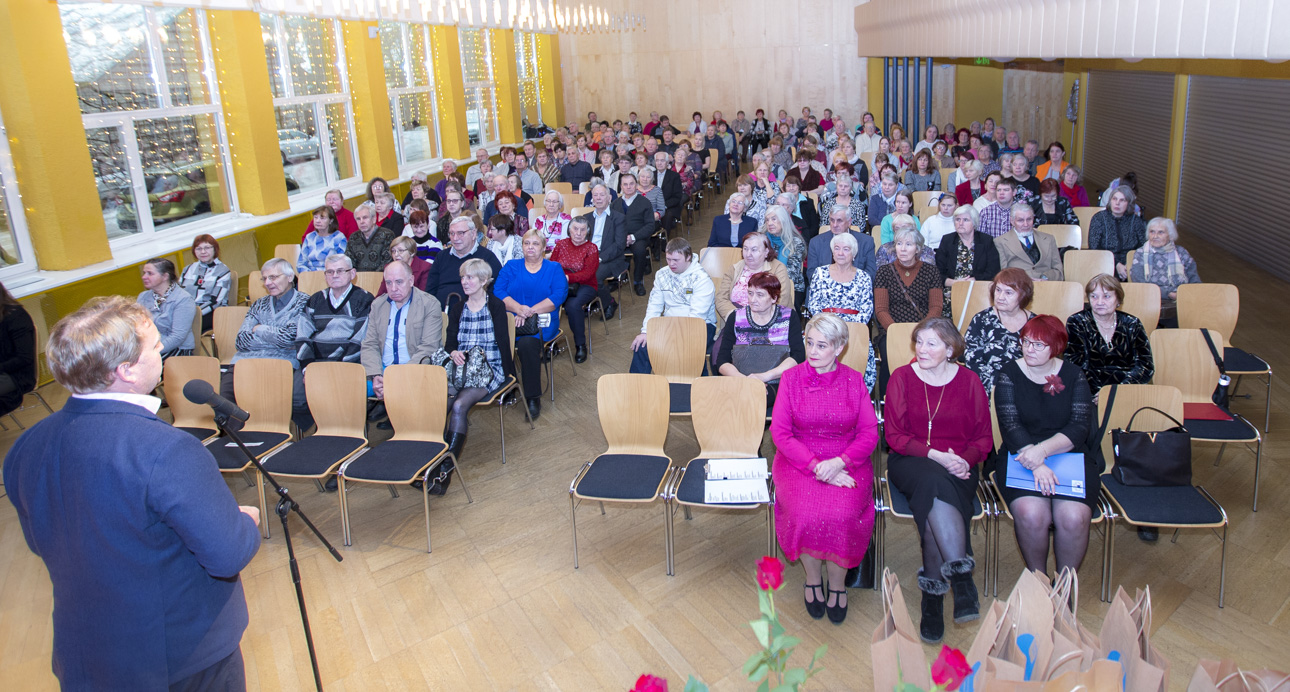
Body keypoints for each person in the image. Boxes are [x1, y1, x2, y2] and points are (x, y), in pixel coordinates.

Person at [3, 296, 262, 690]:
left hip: (87, 655)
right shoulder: (165, 449)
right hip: (180, 659)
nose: (162, 351)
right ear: (125, 369)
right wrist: (244, 523)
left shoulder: (26, 445)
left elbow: (45, 542)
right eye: (155, 346)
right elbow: (226, 555)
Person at [885, 317, 992, 643]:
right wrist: (937, 456)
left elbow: (984, 438)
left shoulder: (970, 381)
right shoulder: (901, 378)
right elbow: (894, 436)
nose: (922, 349)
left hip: (959, 465)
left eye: (932, 343)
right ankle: (961, 579)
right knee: (932, 482)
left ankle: (933, 594)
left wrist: (966, 460)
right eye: (919, 342)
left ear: (950, 349)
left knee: (936, 497)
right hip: (912, 460)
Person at [770, 313, 878, 624]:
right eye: (809, 343)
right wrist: (817, 466)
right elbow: (781, 434)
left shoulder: (853, 380)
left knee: (841, 515)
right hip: (799, 461)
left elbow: (869, 434)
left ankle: (838, 586)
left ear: (840, 347)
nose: (813, 351)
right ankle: (812, 579)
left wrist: (839, 463)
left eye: (822, 345)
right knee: (805, 512)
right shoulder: (791, 379)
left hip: (847, 460)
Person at [994, 315, 1101, 577]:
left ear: (1056, 347)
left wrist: (1042, 453)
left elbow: (1078, 428)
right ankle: (1038, 581)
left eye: (1038, 345)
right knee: (1032, 514)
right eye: (1026, 342)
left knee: (1073, 518)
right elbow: (1010, 426)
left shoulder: (1074, 375)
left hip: (1068, 454)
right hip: (1020, 454)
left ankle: (1065, 587)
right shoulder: (1009, 374)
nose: (1029, 349)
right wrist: (1036, 462)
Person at [436, 258, 515, 493]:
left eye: (470, 277)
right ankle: (430, 460)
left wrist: (511, 378)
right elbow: (451, 342)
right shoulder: (458, 307)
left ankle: (445, 472)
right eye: (463, 277)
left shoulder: (496, 306)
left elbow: (503, 344)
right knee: (442, 403)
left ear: (483, 281)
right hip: (462, 368)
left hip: (488, 369)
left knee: (460, 405)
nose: (464, 282)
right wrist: (454, 353)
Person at [293, 253, 373, 430]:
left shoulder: (364, 299)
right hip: (315, 362)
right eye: (330, 272)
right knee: (296, 398)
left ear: (352, 273)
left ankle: (346, 433)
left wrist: (338, 368)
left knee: (340, 397)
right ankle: (318, 431)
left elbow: (361, 338)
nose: (334, 275)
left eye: (340, 271)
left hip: (347, 362)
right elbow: (302, 335)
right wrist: (307, 366)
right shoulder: (314, 299)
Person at [495, 230, 567, 420]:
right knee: (500, 339)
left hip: (542, 321)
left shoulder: (554, 268)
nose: (530, 248)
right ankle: (509, 386)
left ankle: (532, 396)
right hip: (514, 318)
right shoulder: (511, 266)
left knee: (527, 345)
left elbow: (558, 295)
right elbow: (498, 291)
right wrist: (518, 309)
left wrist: (529, 312)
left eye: (535, 244)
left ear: (543, 247)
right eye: (527, 243)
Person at [361, 261, 444, 411]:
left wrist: (398, 379)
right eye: (388, 282)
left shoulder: (429, 304)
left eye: (399, 282)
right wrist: (375, 375)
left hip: (415, 370)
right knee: (347, 390)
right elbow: (370, 344)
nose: (393, 288)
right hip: (382, 371)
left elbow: (429, 347)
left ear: (411, 281)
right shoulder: (377, 305)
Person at [715, 272, 804, 410]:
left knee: (758, 397)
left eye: (760, 295)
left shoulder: (789, 317)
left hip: (777, 380)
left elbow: (798, 356)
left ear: (774, 298)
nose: (752, 299)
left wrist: (763, 377)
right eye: (750, 293)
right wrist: (747, 382)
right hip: (741, 379)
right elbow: (722, 360)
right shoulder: (736, 317)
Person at [629, 238, 717, 374]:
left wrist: (673, 337)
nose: (671, 264)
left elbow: (696, 317)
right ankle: (638, 391)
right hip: (670, 323)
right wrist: (645, 331)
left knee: (689, 350)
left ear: (688, 257)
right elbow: (654, 306)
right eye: (668, 259)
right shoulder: (661, 275)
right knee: (641, 346)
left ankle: (698, 386)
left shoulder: (702, 279)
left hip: (700, 326)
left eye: (676, 260)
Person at [806, 232, 877, 388]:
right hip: (824, 329)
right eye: (837, 248)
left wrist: (847, 329)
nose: (840, 253)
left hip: (853, 331)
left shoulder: (864, 277)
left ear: (854, 254)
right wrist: (829, 327)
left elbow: (866, 308)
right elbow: (813, 304)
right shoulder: (819, 273)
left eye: (846, 249)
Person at [874, 227, 944, 380]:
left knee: (931, 356)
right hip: (891, 330)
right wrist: (895, 331)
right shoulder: (884, 272)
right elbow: (880, 309)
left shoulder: (931, 272)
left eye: (908, 244)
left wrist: (921, 331)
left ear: (918, 249)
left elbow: (936, 307)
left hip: (924, 330)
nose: (903, 249)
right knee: (888, 356)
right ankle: (889, 399)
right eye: (899, 244)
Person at [1065, 273, 1154, 393]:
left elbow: (1145, 365)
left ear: (1118, 299)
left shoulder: (1132, 323)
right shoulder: (1076, 322)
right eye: (1094, 296)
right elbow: (1074, 364)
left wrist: (1118, 391)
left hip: (1127, 390)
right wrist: (1098, 393)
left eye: (1106, 296)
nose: (1099, 302)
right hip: (1088, 390)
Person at [964, 268, 1035, 393]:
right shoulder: (981, 320)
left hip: (1025, 387)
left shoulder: (1035, 323)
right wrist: (1000, 386)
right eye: (998, 290)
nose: (1000, 297)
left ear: (1023, 295)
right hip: (988, 386)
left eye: (1008, 293)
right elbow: (972, 360)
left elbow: (1041, 363)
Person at [1129, 216, 1201, 325]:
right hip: (1150, 302)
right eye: (1152, 232)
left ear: (1170, 235)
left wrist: (1189, 295)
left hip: (1181, 301)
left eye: (1160, 232)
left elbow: (1194, 279)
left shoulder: (1181, 253)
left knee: (1194, 319)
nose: (1155, 236)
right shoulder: (1140, 254)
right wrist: (1168, 293)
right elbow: (1140, 284)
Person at [425, 216, 503, 309]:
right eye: (452, 233)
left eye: (460, 233)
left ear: (473, 233)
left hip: (474, 314)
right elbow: (430, 289)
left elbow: (495, 291)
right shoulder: (441, 256)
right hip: (441, 314)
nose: (455, 238)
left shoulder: (487, 258)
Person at [716, 232, 793, 324]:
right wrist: (737, 318)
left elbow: (781, 299)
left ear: (766, 252)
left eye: (754, 250)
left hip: (770, 322)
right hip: (736, 320)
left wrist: (755, 320)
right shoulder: (734, 268)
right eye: (745, 249)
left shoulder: (778, 269)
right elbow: (721, 298)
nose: (748, 254)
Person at [551, 217, 599, 364]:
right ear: (569, 230)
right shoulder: (561, 244)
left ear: (588, 232)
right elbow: (552, 265)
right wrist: (560, 279)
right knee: (547, 302)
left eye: (582, 229)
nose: (578, 233)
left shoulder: (592, 248)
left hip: (586, 285)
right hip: (561, 284)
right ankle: (550, 344)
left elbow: (587, 274)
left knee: (572, 306)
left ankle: (580, 345)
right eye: (575, 229)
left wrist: (566, 278)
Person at [935, 204, 1002, 307]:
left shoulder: (986, 241)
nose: (960, 223)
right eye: (957, 220)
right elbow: (937, 272)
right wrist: (954, 283)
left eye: (965, 220)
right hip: (952, 290)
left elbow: (994, 271)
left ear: (974, 223)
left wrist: (975, 280)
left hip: (978, 289)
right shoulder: (947, 241)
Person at [137, 258, 197, 360]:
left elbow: (177, 338)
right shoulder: (143, 297)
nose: (144, 277)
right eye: (144, 273)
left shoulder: (183, 299)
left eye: (150, 273)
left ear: (165, 276)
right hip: (149, 348)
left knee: (139, 367)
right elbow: (137, 327)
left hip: (177, 349)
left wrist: (152, 352)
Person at [1089, 186, 1147, 280]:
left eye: (1122, 200)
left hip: (1130, 264)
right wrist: (1116, 264)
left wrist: (1129, 264)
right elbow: (1094, 248)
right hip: (1104, 262)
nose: (1117, 203)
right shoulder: (1099, 218)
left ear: (1128, 203)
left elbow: (1143, 247)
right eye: (1114, 199)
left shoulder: (1136, 221)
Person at [808, 206, 877, 284]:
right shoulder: (816, 242)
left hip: (855, 289)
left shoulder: (866, 242)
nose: (835, 225)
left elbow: (870, 273)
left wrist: (848, 287)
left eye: (839, 221)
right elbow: (812, 274)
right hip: (824, 289)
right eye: (832, 220)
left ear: (849, 222)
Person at [179, 234, 233, 332]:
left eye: (207, 248)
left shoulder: (222, 271)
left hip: (212, 312)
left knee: (182, 329)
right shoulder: (188, 269)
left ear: (215, 249)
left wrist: (194, 313)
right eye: (198, 248)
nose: (203, 252)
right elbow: (179, 293)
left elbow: (215, 301)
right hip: (188, 311)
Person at [995, 203, 1063, 281]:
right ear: (1012, 221)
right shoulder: (1000, 241)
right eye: (1020, 220)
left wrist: (1045, 278)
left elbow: (1058, 270)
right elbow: (1002, 273)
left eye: (1029, 219)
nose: (1026, 224)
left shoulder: (1048, 239)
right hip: (1018, 287)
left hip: (1046, 285)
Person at [617, 173, 655, 295]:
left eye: (631, 184)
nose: (628, 187)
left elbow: (650, 226)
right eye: (625, 184)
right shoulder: (615, 204)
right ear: (621, 186)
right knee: (609, 248)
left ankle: (638, 281)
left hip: (638, 237)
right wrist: (622, 238)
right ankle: (615, 278)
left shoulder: (645, 202)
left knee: (639, 251)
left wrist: (633, 237)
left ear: (636, 185)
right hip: (620, 237)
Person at [761, 206, 806, 306]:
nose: (770, 223)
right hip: (762, 284)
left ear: (784, 220)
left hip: (791, 286)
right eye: (767, 220)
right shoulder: (762, 239)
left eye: (774, 219)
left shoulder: (796, 243)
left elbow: (792, 274)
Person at [346, 202, 398, 272]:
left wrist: (370, 278)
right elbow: (349, 262)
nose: (362, 222)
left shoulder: (387, 235)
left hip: (381, 278)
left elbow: (387, 262)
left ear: (373, 219)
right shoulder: (353, 237)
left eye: (365, 218)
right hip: (358, 279)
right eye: (358, 219)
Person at [300, 205, 348, 272]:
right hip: (309, 275)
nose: (318, 221)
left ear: (331, 220)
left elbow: (343, 263)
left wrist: (322, 274)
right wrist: (310, 275)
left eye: (322, 218)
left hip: (331, 274)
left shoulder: (339, 238)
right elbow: (300, 263)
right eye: (315, 217)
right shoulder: (309, 237)